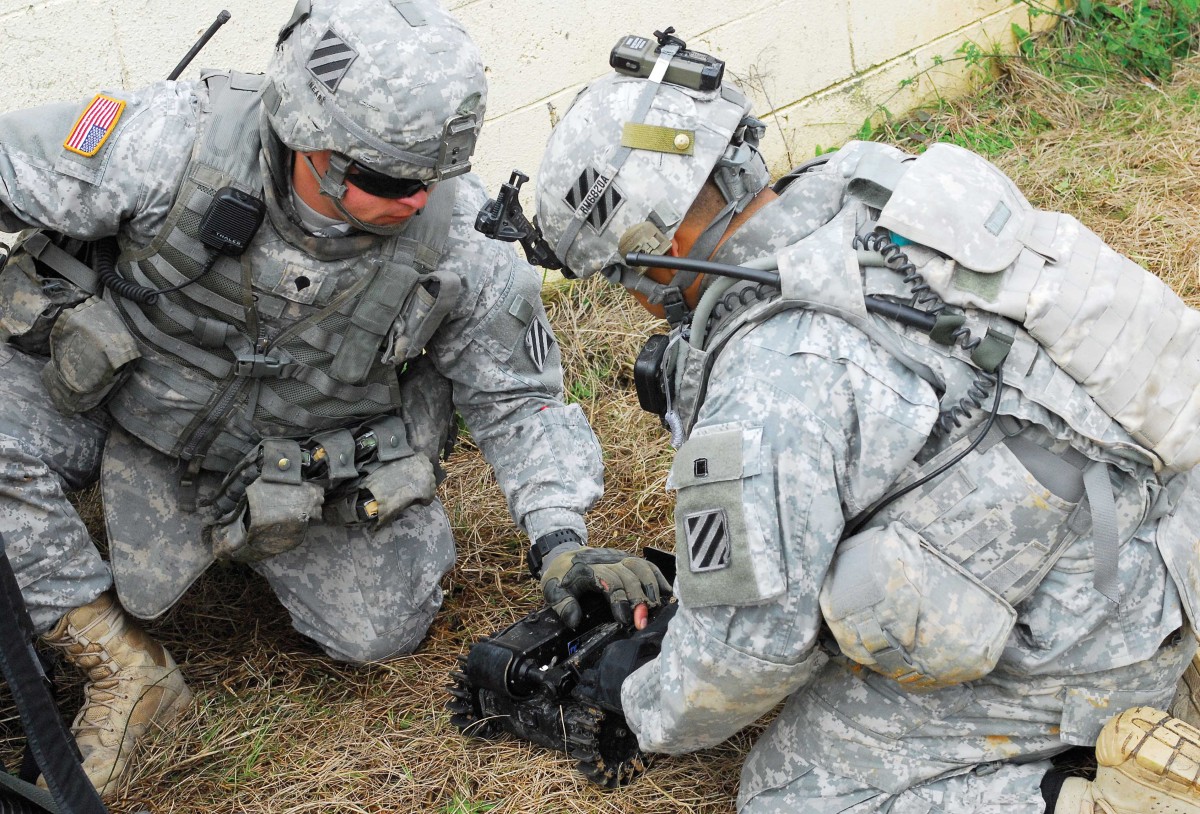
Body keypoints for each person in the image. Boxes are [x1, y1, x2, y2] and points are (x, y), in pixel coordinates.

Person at [0, 0, 666, 798]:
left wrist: (559, 536)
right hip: (121, 397)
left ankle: (246, 540)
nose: (417, 201)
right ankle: (122, 669)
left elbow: (521, 402)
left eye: (432, 177)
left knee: (380, 630)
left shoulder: (461, 243)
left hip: (294, 459)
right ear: (305, 133)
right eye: (388, 178)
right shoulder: (167, 143)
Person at [529, 29, 1200, 814]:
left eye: (623, 276)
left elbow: (747, 657)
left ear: (654, 248)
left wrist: (640, 696)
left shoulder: (772, 379)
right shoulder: (884, 185)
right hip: (1169, 530)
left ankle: (1087, 791)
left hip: (1087, 636)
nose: (637, 297)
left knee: (793, 798)